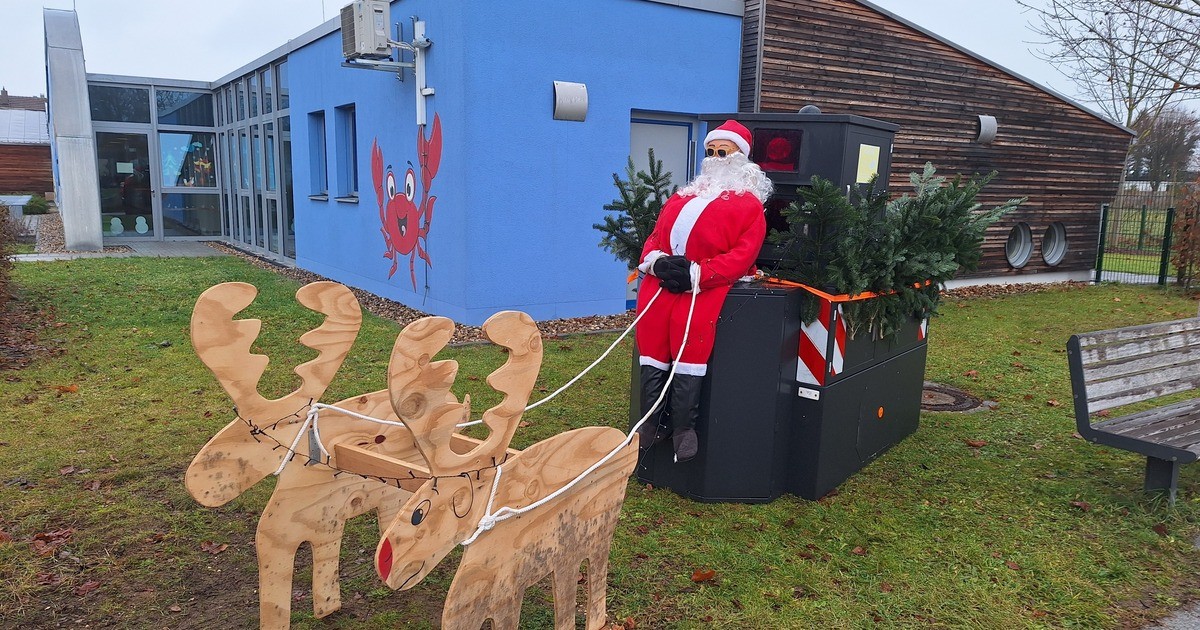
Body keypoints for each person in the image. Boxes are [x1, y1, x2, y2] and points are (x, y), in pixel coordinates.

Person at [635, 120, 772, 462]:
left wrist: (698, 273)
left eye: (722, 152)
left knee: (689, 346)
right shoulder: (684, 195)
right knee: (652, 347)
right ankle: (651, 422)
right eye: (710, 151)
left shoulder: (749, 206)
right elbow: (655, 236)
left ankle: (684, 427)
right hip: (663, 285)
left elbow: (743, 254)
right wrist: (656, 262)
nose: (715, 158)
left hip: (701, 290)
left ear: (740, 157)